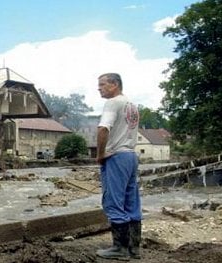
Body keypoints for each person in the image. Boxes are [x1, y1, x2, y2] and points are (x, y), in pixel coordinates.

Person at [95, 73, 142, 260]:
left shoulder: (113, 103)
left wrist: (99, 154)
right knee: (132, 202)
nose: (98, 88)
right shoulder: (131, 105)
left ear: (114, 85)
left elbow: (103, 128)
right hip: (131, 155)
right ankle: (134, 248)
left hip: (116, 156)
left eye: (102, 84)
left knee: (113, 201)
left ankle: (119, 249)